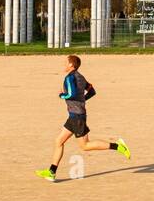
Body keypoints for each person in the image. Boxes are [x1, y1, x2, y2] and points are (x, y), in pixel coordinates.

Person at [36, 54, 131, 182]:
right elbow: (92, 91)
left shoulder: (69, 78)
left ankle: (118, 146)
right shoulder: (81, 77)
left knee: (85, 146)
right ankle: (51, 172)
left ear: (71, 65)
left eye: (66, 62)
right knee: (59, 141)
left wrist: (61, 95)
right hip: (75, 115)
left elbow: (71, 94)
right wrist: (82, 100)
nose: (64, 64)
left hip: (77, 117)